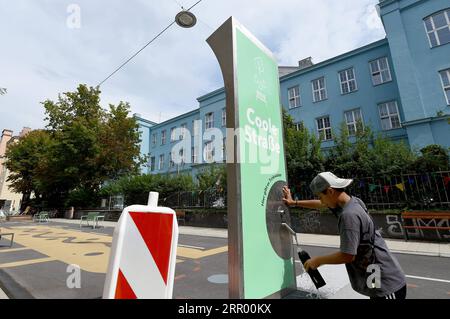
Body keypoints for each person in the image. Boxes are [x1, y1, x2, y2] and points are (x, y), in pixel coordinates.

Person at [282, 172, 407, 299]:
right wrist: (293, 203)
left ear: (330, 191)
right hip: (374, 274)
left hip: (386, 284)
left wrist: (317, 261)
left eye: (320, 196)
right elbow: (321, 204)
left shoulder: (349, 215)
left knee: (378, 293)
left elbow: (347, 255)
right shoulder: (354, 202)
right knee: (374, 293)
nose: (321, 201)